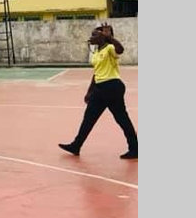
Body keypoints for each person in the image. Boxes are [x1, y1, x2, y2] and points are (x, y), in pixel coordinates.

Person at [59, 24, 138, 159]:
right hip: (100, 88)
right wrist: (89, 91)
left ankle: (135, 148)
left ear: (102, 37)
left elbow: (121, 49)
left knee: (121, 118)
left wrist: (109, 37)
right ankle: (76, 145)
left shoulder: (110, 48)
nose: (91, 37)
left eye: (94, 35)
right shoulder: (96, 52)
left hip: (112, 86)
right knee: (88, 118)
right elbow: (96, 73)